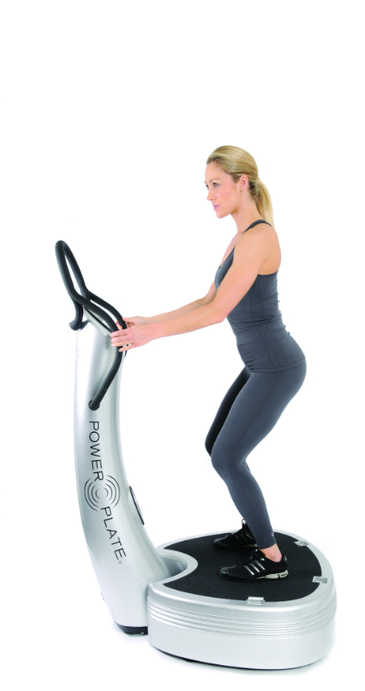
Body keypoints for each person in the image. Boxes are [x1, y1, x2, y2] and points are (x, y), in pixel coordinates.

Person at [111, 146, 306, 581]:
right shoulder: (240, 237)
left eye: (215, 185)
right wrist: (148, 320)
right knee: (217, 445)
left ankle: (272, 559)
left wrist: (151, 336)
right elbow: (208, 299)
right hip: (260, 364)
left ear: (242, 182)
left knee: (228, 458)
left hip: (277, 367)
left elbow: (217, 314)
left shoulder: (259, 238)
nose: (209, 195)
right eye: (206, 186)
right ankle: (253, 528)